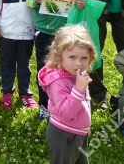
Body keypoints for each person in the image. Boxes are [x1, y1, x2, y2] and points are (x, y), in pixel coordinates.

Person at [26, 0, 88, 119]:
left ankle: (73, 104)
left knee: (73, 69)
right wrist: (36, 0)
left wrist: (81, 3)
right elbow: (28, 1)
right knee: (46, 70)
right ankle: (46, 106)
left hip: (70, 33)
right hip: (45, 30)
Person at [38, 25, 97, 164]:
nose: (78, 63)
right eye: (72, 57)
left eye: (84, 58)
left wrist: (86, 126)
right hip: (64, 134)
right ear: (59, 56)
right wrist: (78, 89)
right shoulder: (58, 81)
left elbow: (84, 102)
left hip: (78, 132)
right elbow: (67, 113)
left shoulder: (76, 75)